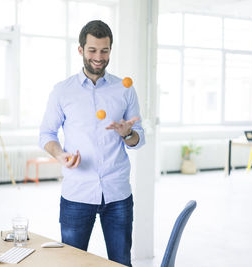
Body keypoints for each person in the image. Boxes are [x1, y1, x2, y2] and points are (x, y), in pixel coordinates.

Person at [39, 20, 145, 266]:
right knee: (72, 263)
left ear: (110, 50)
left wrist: (126, 134)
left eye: (104, 50)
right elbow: (46, 134)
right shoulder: (62, 91)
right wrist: (60, 154)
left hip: (117, 194)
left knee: (120, 262)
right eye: (92, 50)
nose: (99, 57)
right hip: (77, 194)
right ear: (81, 50)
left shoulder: (124, 89)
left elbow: (138, 140)